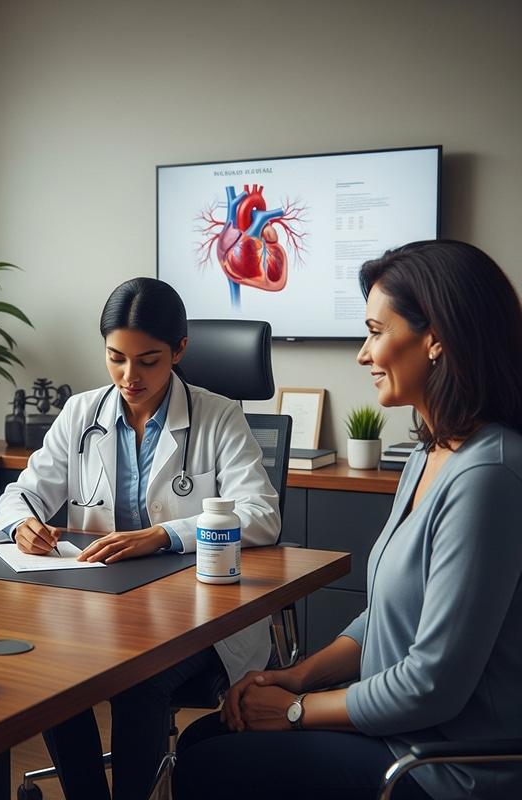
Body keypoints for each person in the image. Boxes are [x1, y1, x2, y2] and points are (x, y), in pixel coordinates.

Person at [170, 239, 522, 800]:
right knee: (202, 739)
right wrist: (295, 675)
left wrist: (294, 710)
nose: (363, 354)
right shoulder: (428, 454)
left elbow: (430, 686)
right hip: (397, 734)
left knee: (207, 767)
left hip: (443, 767)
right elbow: (384, 618)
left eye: (375, 331)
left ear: (436, 338)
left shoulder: (489, 477)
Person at [0, 277, 281, 800]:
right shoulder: (82, 414)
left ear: (179, 350)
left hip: (197, 615)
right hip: (102, 610)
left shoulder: (219, 416)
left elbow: (261, 514)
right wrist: (22, 524)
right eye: (116, 358)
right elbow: (22, 492)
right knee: (52, 675)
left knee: (137, 682)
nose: (130, 376)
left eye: (148, 361)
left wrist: (164, 535)